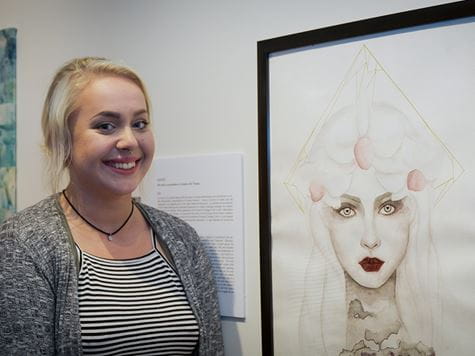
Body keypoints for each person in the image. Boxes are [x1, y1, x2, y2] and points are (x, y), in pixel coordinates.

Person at [0, 57, 224, 355]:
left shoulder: (182, 239)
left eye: (140, 124)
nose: (130, 140)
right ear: (62, 139)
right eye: (106, 126)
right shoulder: (24, 243)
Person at [295, 102, 443, 356]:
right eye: (347, 210)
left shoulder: (435, 324)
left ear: (414, 211)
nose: (370, 240)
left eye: (388, 208)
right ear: (323, 220)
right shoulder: (315, 332)